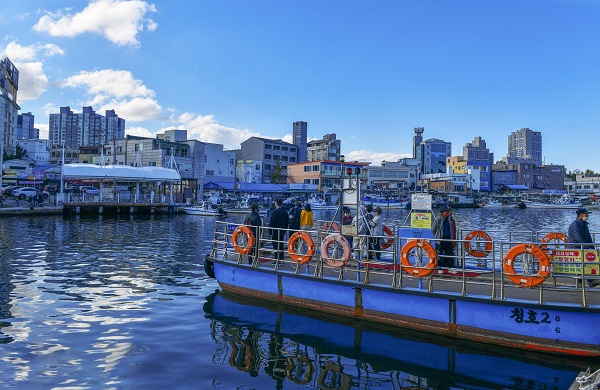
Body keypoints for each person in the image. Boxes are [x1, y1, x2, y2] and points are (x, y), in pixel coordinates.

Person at [568, 208, 597, 287]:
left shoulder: (584, 224)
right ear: (581, 215)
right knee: (582, 264)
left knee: (586, 263)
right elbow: (578, 238)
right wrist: (587, 247)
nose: (587, 216)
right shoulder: (574, 225)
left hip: (583, 247)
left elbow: (588, 237)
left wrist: (592, 248)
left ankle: (589, 281)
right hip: (575, 248)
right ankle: (585, 282)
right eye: (586, 214)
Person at [268, 197, 289, 262]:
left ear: (276, 203)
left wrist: (270, 231)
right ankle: (281, 258)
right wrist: (285, 229)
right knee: (281, 245)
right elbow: (287, 221)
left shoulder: (275, 212)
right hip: (282, 231)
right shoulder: (285, 212)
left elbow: (272, 222)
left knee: (275, 245)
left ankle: (277, 259)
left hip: (275, 231)